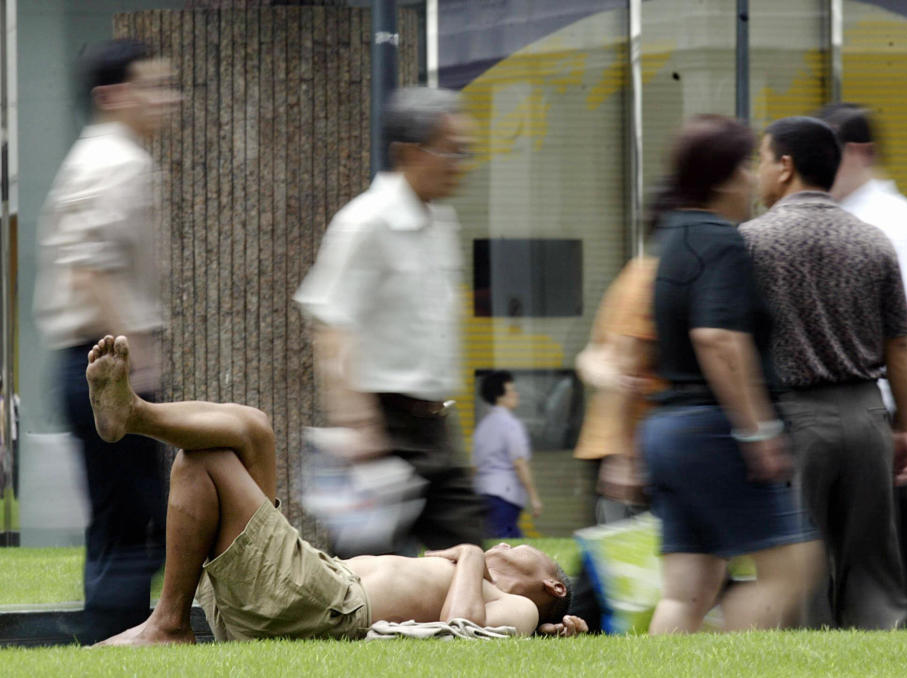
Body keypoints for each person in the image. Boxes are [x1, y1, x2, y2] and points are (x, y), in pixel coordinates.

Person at [82, 335, 584, 646]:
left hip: (322, 607)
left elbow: (462, 633)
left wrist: (473, 557)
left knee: (208, 456)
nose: (501, 544)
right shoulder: (505, 603)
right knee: (251, 429)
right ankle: (135, 414)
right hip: (310, 589)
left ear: (552, 587)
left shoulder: (514, 604)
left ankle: (168, 624)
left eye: (516, 548)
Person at [740, 116, 907, 629]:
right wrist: (905, 427)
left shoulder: (751, 241)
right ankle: (882, 648)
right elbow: (900, 346)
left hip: (795, 417)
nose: (756, 171)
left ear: (785, 165)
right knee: (874, 566)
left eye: (760, 158)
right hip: (867, 412)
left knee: (799, 563)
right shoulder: (873, 240)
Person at [642, 115, 821, 635]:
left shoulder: (673, 233)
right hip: (713, 428)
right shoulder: (720, 241)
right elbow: (718, 338)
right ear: (722, 176)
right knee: (793, 567)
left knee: (686, 591)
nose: (751, 177)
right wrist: (758, 430)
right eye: (745, 165)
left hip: (669, 430)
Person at [33, 39, 181, 643]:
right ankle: (111, 630)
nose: (166, 99)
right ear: (111, 96)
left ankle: (110, 627)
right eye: (151, 85)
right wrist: (135, 362)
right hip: (103, 361)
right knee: (140, 512)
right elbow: (88, 268)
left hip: (92, 360)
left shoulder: (101, 157)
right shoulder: (114, 162)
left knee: (122, 512)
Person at [295, 86, 485, 553]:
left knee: (471, 558)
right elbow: (331, 327)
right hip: (384, 425)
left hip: (435, 422)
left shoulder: (441, 220)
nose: (460, 161)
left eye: (466, 150)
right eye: (451, 149)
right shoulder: (366, 222)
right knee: (371, 581)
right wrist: (361, 427)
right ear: (408, 152)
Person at [818, 102, 907, 628]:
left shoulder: (896, 222)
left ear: (860, 152)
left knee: (903, 539)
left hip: (874, 407)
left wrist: (900, 417)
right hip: (863, 409)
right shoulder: (857, 217)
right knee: (894, 536)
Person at [574, 255, 663, 524]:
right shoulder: (648, 276)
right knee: (628, 549)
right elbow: (625, 365)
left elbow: (592, 357)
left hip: (630, 439)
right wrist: (626, 456)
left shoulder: (641, 272)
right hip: (635, 440)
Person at [472, 371, 542, 538]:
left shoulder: (482, 427)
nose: (516, 394)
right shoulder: (510, 425)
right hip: (505, 493)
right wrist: (534, 496)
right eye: (512, 390)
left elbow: (474, 466)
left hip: (483, 491)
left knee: (499, 536)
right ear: (500, 397)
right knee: (505, 540)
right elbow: (519, 463)